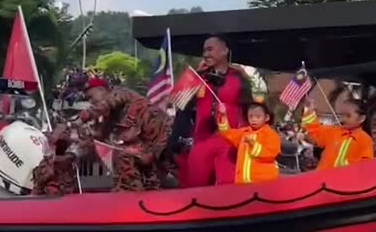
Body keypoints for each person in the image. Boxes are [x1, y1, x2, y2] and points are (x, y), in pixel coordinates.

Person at [61, 70, 170, 192]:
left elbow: (106, 104)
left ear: (102, 90)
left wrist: (78, 120)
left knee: (125, 155)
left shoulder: (119, 93)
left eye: (91, 97)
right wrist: (75, 137)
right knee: (128, 158)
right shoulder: (111, 117)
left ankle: (129, 192)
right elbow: (100, 137)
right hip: (153, 150)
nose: (91, 102)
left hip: (166, 138)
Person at [177, 35, 252, 188]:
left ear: (224, 51)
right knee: (195, 186)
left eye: (210, 49)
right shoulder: (198, 77)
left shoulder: (239, 78)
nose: (205, 54)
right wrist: (194, 76)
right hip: (201, 141)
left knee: (228, 187)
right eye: (204, 50)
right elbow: (179, 102)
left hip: (229, 142)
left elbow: (248, 110)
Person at [301, 98, 374, 170]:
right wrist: (309, 111)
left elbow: (365, 165)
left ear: (361, 118)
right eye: (342, 115)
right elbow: (315, 133)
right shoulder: (333, 131)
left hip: (345, 180)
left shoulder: (365, 140)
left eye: (348, 116)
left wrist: (346, 167)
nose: (343, 119)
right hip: (322, 178)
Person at [217, 102, 280, 184]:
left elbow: (270, 154)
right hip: (242, 182)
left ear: (266, 117)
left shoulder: (271, 135)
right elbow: (227, 133)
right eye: (251, 116)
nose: (254, 119)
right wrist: (223, 116)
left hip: (263, 183)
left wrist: (253, 144)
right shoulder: (244, 133)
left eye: (258, 117)